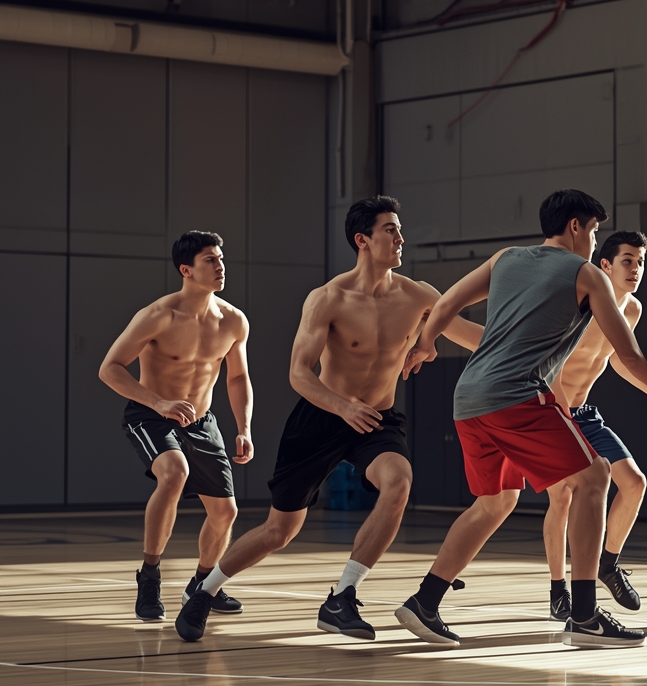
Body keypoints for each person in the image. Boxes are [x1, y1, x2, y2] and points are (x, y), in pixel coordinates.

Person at [172, 196, 482, 643]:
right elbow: (299, 373)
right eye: (389, 230)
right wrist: (342, 406)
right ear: (363, 240)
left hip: (377, 418)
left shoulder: (419, 296)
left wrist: (451, 340)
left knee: (398, 481)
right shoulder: (328, 299)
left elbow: (475, 337)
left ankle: (342, 597)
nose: (400, 238)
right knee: (281, 530)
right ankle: (204, 589)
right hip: (321, 416)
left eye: (399, 229)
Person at [394, 189, 647, 649]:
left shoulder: (506, 258)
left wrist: (426, 343)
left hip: (469, 398)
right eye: (595, 230)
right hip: (515, 394)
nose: (594, 239)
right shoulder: (588, 275)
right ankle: (583, 615)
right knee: (595, 477)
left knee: (495, 503)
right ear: (577, 227)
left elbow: (446, 303)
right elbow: (630, 355)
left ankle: (425, 601)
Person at [99, 231, 253, 623]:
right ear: (186, 269)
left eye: (221, 259)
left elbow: (237, 378)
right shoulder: (158, 315)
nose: (220, 267)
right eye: (209, 261)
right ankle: (149, 576)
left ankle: (203, 586)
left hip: (202, 421)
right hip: (151, 414)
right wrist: (159, 402)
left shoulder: (233, 320)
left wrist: (244, 427)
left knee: (226, 513)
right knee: (174, 473)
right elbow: (110, 368)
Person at [544, 230, 647, 621]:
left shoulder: (632, 310)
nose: (635, 269)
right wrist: (556, 413)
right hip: (551, 412)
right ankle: (559, 590)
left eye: (640, 262)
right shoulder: (580, 305)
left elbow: (620, 360)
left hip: (585, 412)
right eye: (627, 261)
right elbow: (549, 362)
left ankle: (608, 563)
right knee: (563, 498)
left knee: (634, 483)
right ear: (604, 265)